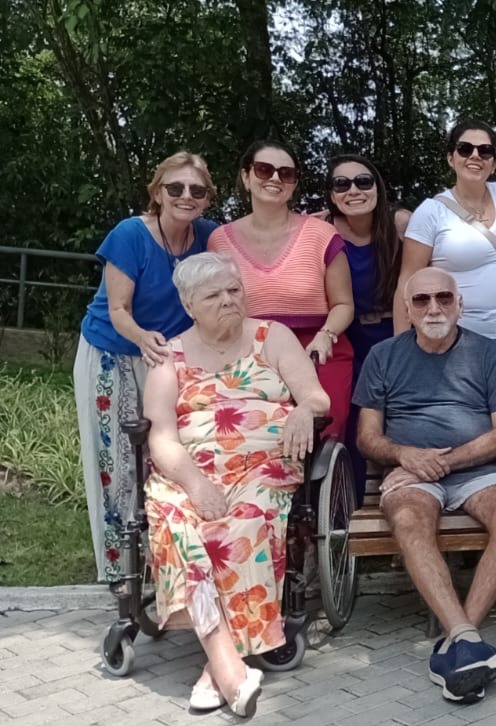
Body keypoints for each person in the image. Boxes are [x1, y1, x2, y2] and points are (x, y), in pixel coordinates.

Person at [142, 253, 330, 717]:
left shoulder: (273, 337)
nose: (228, 300)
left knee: (240, 527)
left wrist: (304, 410)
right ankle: (230, 669)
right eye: (213, 295)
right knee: (177, 526)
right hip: (190, 470)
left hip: (265, 466)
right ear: (189, 305)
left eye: (234, 290)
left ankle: (216, 671)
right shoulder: (169, 357)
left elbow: (316, 396)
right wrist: (195, 483)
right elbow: (160, 436)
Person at [356, 268, 496, 703]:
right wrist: (405, 455)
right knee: (409, 520)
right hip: (410, 471)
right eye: (422, 300)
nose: (434, 308)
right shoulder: (383, 356)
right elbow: (367, 437)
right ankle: (466, 639)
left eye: (444, 298)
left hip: (476, 469)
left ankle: (458, 640)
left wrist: (442, 463)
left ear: (460, 305)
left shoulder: (486, 353)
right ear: (407, 310)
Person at [75, 151, 217, 584]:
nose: (186, 196)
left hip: (168, 362)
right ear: (157, 192)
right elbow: (118, 309)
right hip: (113, 352)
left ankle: (164, 561)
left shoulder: (209, 236)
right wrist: (141, 337)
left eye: (197, 190)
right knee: (117, 461)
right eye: (175, 187)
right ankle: (121, 571)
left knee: (169, 456)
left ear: (208, 198)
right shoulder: (130, 234)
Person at [208, 141, 354, 441]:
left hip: (315, 347)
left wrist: (326, 335)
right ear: (246, 176)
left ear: (294, 183)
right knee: (249, 435)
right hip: (249, 350)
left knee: (319, 435)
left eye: (286, 173)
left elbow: (343, 304)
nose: (275, 178)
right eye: (264, 170)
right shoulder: (219, 241)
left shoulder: (322, 234)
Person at [395, 120, 496, 369]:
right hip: (453, 341)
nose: (475, 156)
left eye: (485, 151)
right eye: (465, 149)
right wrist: (401, 353)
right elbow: (407, 282)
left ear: (494, 163)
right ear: (451, 158)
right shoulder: (430, 212)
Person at [326, 154, 400, 494]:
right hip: (348, 338)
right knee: (352, 421)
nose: (353, 190)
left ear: (377, 188)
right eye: (342, 184)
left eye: (363, 181)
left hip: (395, 333)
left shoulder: (400, 225)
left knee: (401, 415)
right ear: (331, 194)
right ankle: (349, 506)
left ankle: (403, 494)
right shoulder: (321, 230)